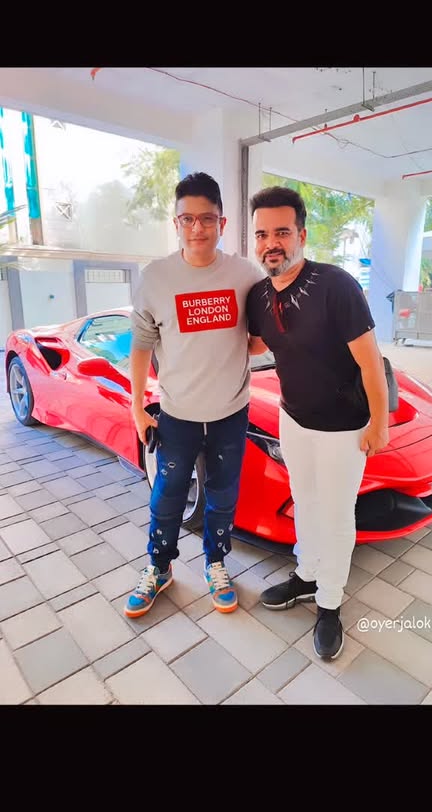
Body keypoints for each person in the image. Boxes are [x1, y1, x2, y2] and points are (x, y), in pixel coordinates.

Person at [246, 186, 389, 660]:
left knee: (336, 513)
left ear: (301, 235)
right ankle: (307, 575)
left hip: (344, 428)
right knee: (304, 502)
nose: (272, 243)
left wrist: (379, 424)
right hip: (293, 419)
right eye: (262, 234)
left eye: (282, 232)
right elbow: (253, 345)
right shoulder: (258, 296)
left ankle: (330, 601)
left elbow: (370, 361)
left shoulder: (336, 285)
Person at [124, 171, 265, 619]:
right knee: (167, 496)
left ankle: (216, 563)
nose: (197, 228)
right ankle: (159, 567)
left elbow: (257, 340)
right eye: (187, 219)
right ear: (176, 223)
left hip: (230, 413)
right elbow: (141, 346)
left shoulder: (246, 275)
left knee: (223, 496)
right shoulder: (156, 278)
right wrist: (136, 408)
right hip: (177, 414)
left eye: (207, 219)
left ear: (222, 223)